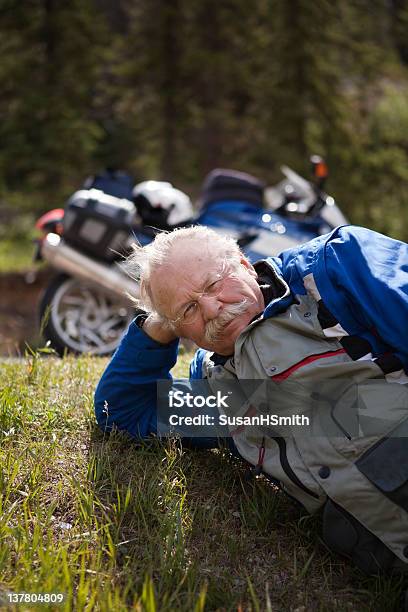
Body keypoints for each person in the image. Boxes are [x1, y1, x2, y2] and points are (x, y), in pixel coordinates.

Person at [94, 224, 408, 574]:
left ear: (244, 263)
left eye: (213, 285)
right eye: (189, 310)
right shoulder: (223, 395)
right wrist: (160, 325)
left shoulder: (334, 267)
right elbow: (121, 410)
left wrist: (180, 307)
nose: (211, 309)